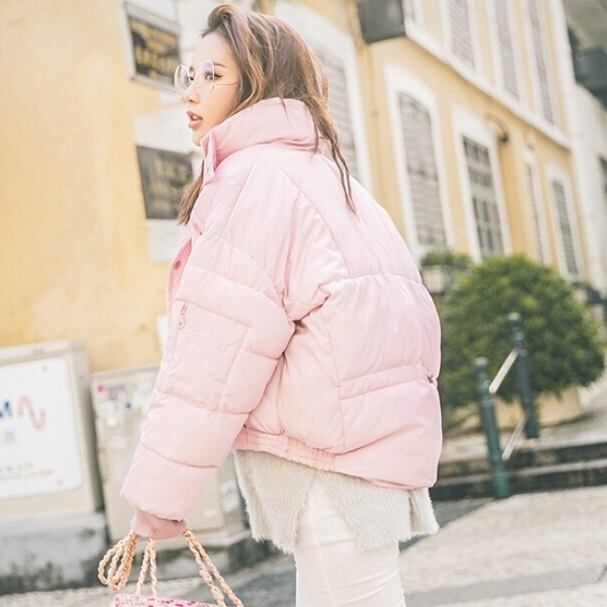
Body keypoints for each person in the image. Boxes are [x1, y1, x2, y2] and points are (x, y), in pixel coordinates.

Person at [119, 4, 443, 606]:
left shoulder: (254, 180)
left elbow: (216, 349)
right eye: (189, 75)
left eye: (213, 76)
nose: (192, 91)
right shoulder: (324, 175)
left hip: (324, 460)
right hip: (366, 447)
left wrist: (159, 494)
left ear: (260, 83)